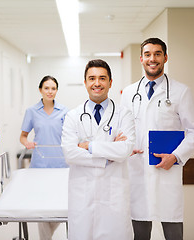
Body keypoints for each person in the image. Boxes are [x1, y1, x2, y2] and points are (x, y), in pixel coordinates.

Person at [120, 38, 194, 240]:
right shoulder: (130, 93)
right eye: (148, 54)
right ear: (141, 59)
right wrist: (124, 145)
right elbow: (122, 130)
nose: (152, 59)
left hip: (167, 172)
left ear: (165, 58)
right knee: (139, 233)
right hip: (137, 171)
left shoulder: (180, 92)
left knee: (173, 232)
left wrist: (175, 157)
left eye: (157, 54)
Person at [61, 59, 135, 240]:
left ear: (110, 82)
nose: (97, 83)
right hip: (83, 193)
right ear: (85, 82)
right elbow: (70, 153)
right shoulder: (73, 116)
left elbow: (126, 148)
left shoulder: (123, 113)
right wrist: (108, 156)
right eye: (92, 78)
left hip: (114, 193)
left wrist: (89, 146)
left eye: (102, 78)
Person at [19, 75, 68, 240]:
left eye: (53, 88)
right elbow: (23, 136)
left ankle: (46, 236)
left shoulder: (64, 111)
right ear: (40, 90)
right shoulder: (31, 111)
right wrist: (27, 143)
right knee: (43, 205)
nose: (50, 91)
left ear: (56, 91)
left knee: (60, 205)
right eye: (46, 88)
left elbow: (70, 135)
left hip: (61, 164)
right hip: (40, 165)